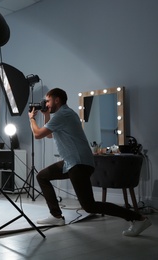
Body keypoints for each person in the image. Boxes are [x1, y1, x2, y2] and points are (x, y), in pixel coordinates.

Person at [29, 88, 151, 236]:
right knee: (42, 176)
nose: (46, 104)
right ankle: (56, 216)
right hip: (71, 162)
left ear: (57, 100)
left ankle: (138, 219)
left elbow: (38, 134)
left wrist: (32, 119)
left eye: (48, 101)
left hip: (78, 163)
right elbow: (48, 135)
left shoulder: (63, 114)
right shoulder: (63, 115)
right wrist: (46, 115)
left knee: (90, 206)